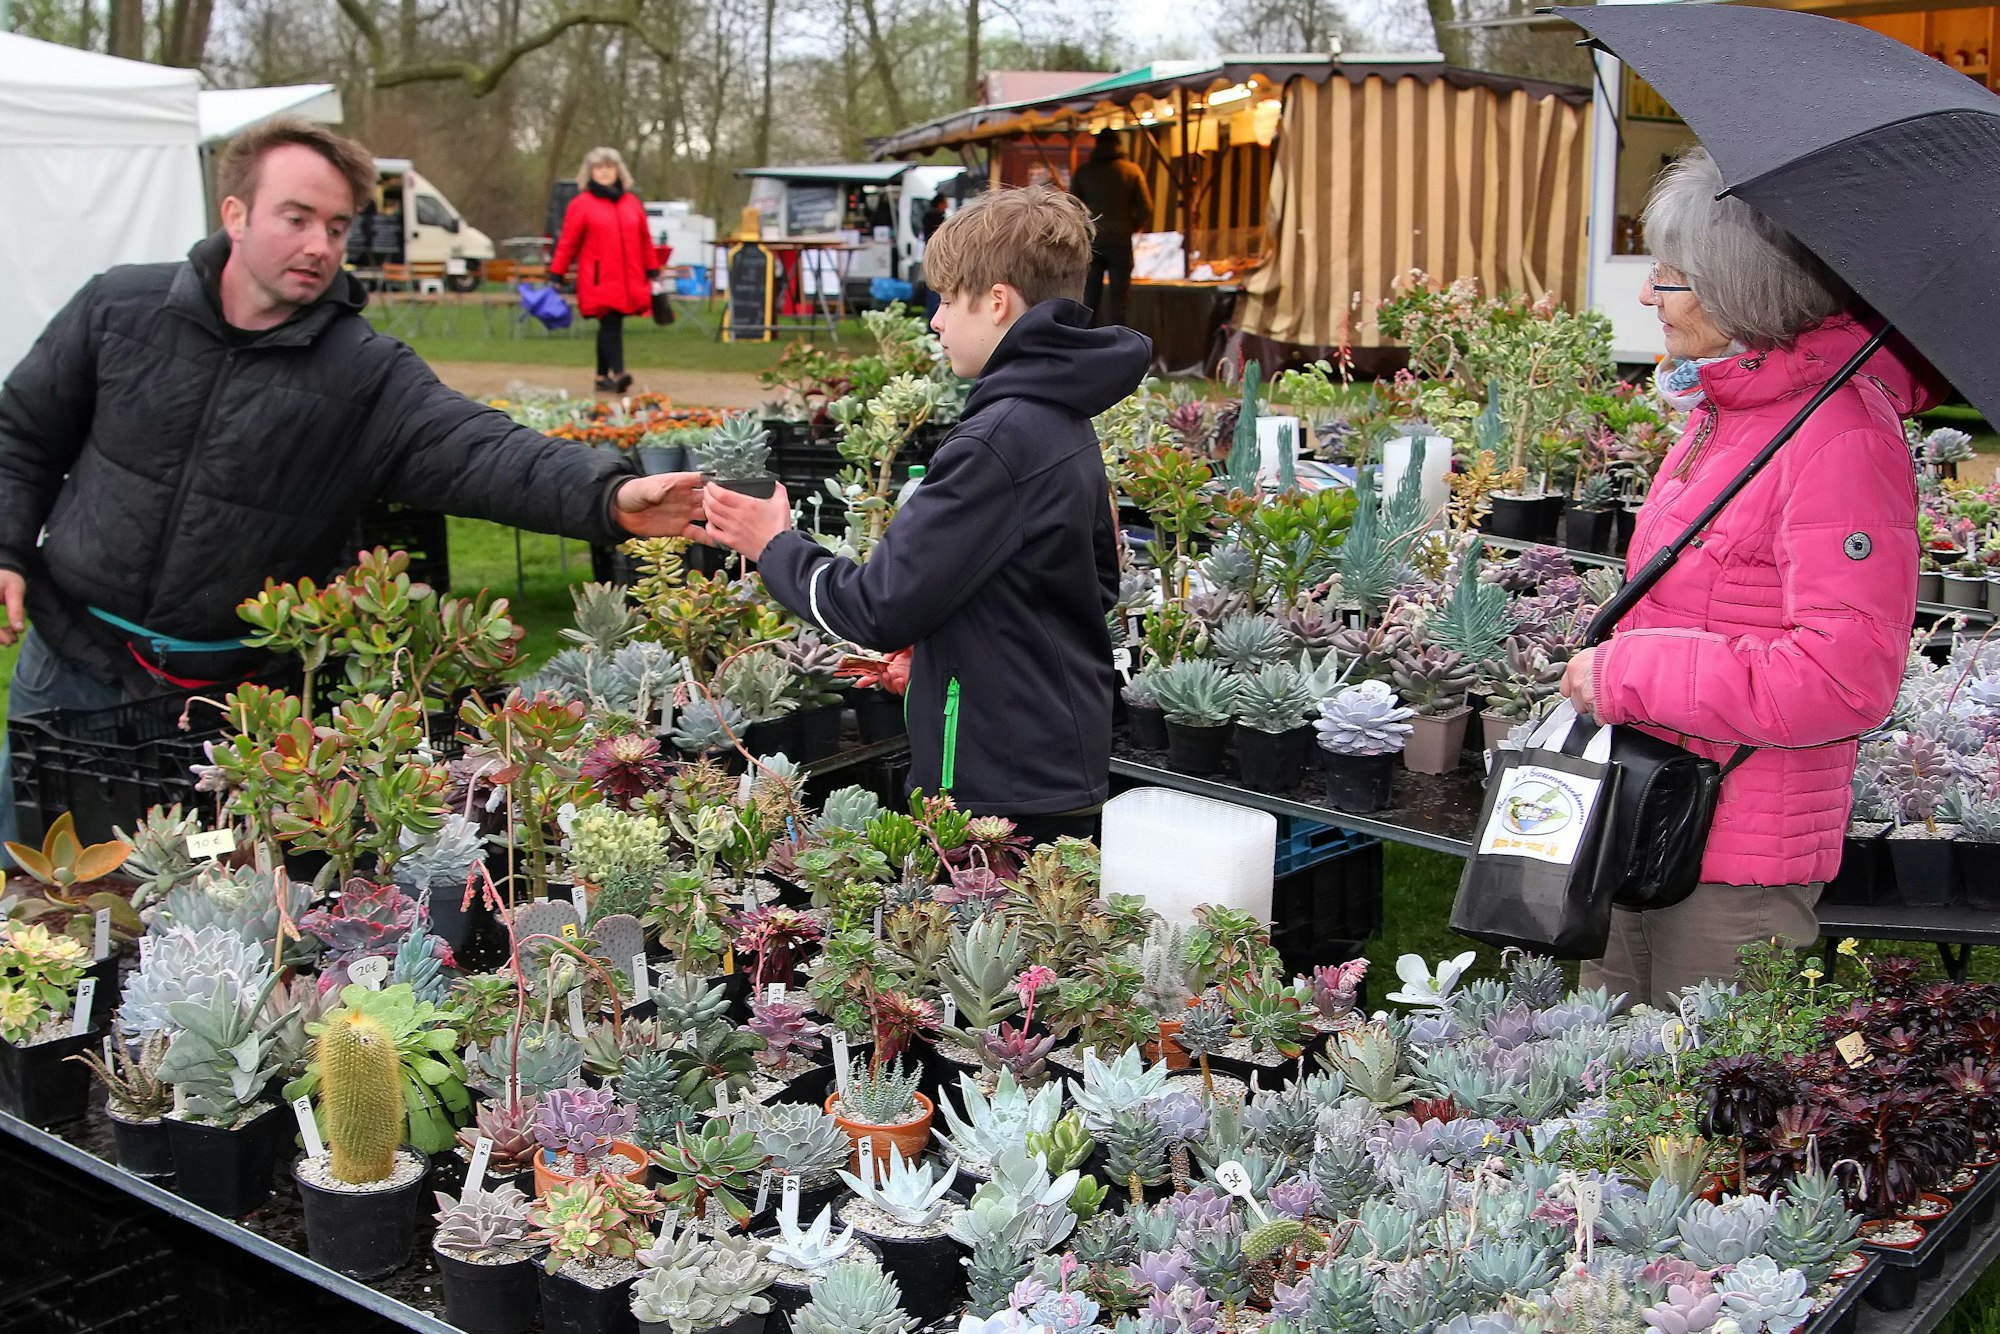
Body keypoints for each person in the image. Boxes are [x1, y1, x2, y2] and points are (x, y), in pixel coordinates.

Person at [0, 117, 706, 862]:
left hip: (225, 704)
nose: (318, 245)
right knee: (41, 897)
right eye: (296, 218)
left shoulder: (364, 373)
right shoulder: (118, 310)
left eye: (336, 227)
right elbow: (22, 435)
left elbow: (483, 451)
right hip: (68, 664)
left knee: (208, 913)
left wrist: (608, 495)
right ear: (234, 214)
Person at [1560, 147, 1938, 1009]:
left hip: (1734, 863)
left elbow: (1845, 676)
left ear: (1744, 293)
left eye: (1671, 278)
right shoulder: (1728, 413)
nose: (1649, 297)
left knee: (1697, 1121)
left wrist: (1631, 672)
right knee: (1595, 1092)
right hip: (1643, 807)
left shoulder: (1841, 438)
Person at [702, 187, 1151, 844]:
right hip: (1052, 759)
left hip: (996, 789)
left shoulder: (996, 442)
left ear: (997, 302)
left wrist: (773, 543)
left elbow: (877, 608)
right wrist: (953, 651)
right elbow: (1081, 585)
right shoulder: (1060, 415)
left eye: (946, 299)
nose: (935, 321)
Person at [550, 147, 661, 394]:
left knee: (612, 323)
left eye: (609, 167)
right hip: (598, 278)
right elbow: (568, 242)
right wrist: (557, 273)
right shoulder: (582, 204)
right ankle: (619, 372)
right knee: (610, 321)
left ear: (618, 170)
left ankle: (601, 377)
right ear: (590, 172)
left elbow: (645, 240)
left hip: (628, 276)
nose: (604, 172)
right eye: (599, 168)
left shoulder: (631, 203)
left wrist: (653, 269)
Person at [1067, 130, 1154, 328]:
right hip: (1120, 241)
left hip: (1092, 242)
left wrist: (1085, 229)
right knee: (1119, 302)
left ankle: (1085, 344)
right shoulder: (1132, 171)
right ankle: (1118, 345)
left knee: (1088, 300)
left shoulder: (1084, 172)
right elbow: (1146, 208)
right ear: (1118, 144)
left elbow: (1072, 206)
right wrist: (1130, 226)